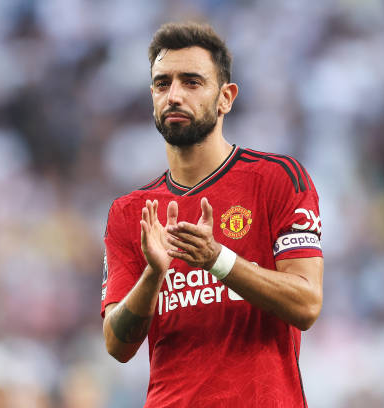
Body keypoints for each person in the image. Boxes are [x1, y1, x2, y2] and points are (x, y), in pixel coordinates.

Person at [101, 22, 323, 407]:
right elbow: (117, 345)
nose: (173, 95)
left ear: (226, 97)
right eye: (162, 83)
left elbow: (306, 304)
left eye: (191, 82)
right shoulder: (130, 211)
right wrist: (153, 275)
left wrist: (217, 260)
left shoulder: (277, 179)